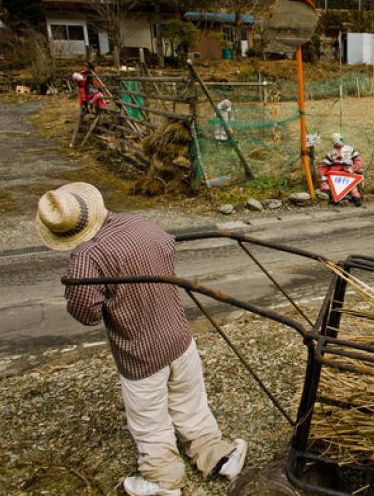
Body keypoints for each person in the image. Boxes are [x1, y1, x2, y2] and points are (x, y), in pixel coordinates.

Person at [36, 182, 247, 496]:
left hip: (140, 353)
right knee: (191, 403)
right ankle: (216, 455)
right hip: (178, 336)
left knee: (150, 421)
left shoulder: (87, 257)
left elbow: (87, 314)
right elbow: (167, 250)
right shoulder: (140, 224)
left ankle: (164, 480)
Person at [320, 132, 364, 207]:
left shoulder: (350, 149)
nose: (339, 143)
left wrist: (353, 168)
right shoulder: (331, 152)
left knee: (353, 187)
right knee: (326, 186)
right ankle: (332, 197)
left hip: (348, 173)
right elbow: (324, 165)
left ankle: (356, 198)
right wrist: (324, 176)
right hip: (334, 175)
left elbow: (358, 161)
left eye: (340, 140)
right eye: (336, 142)